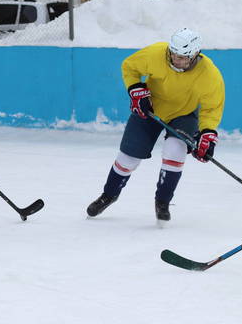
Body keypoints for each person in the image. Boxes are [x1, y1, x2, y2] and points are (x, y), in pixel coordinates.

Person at [86, 28, 225, 223]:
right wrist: (135, 88)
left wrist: (207, 133)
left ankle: (162, 202)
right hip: (150, 109)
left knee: (174, 150)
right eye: (174, 54)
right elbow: (129, 67)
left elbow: (212, 108)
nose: (176, 60)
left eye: (183, 57)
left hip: (183, 113)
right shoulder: (156, 53)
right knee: (128, 157)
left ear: (195, 55)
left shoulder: (210, 74)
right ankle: (108, 195)